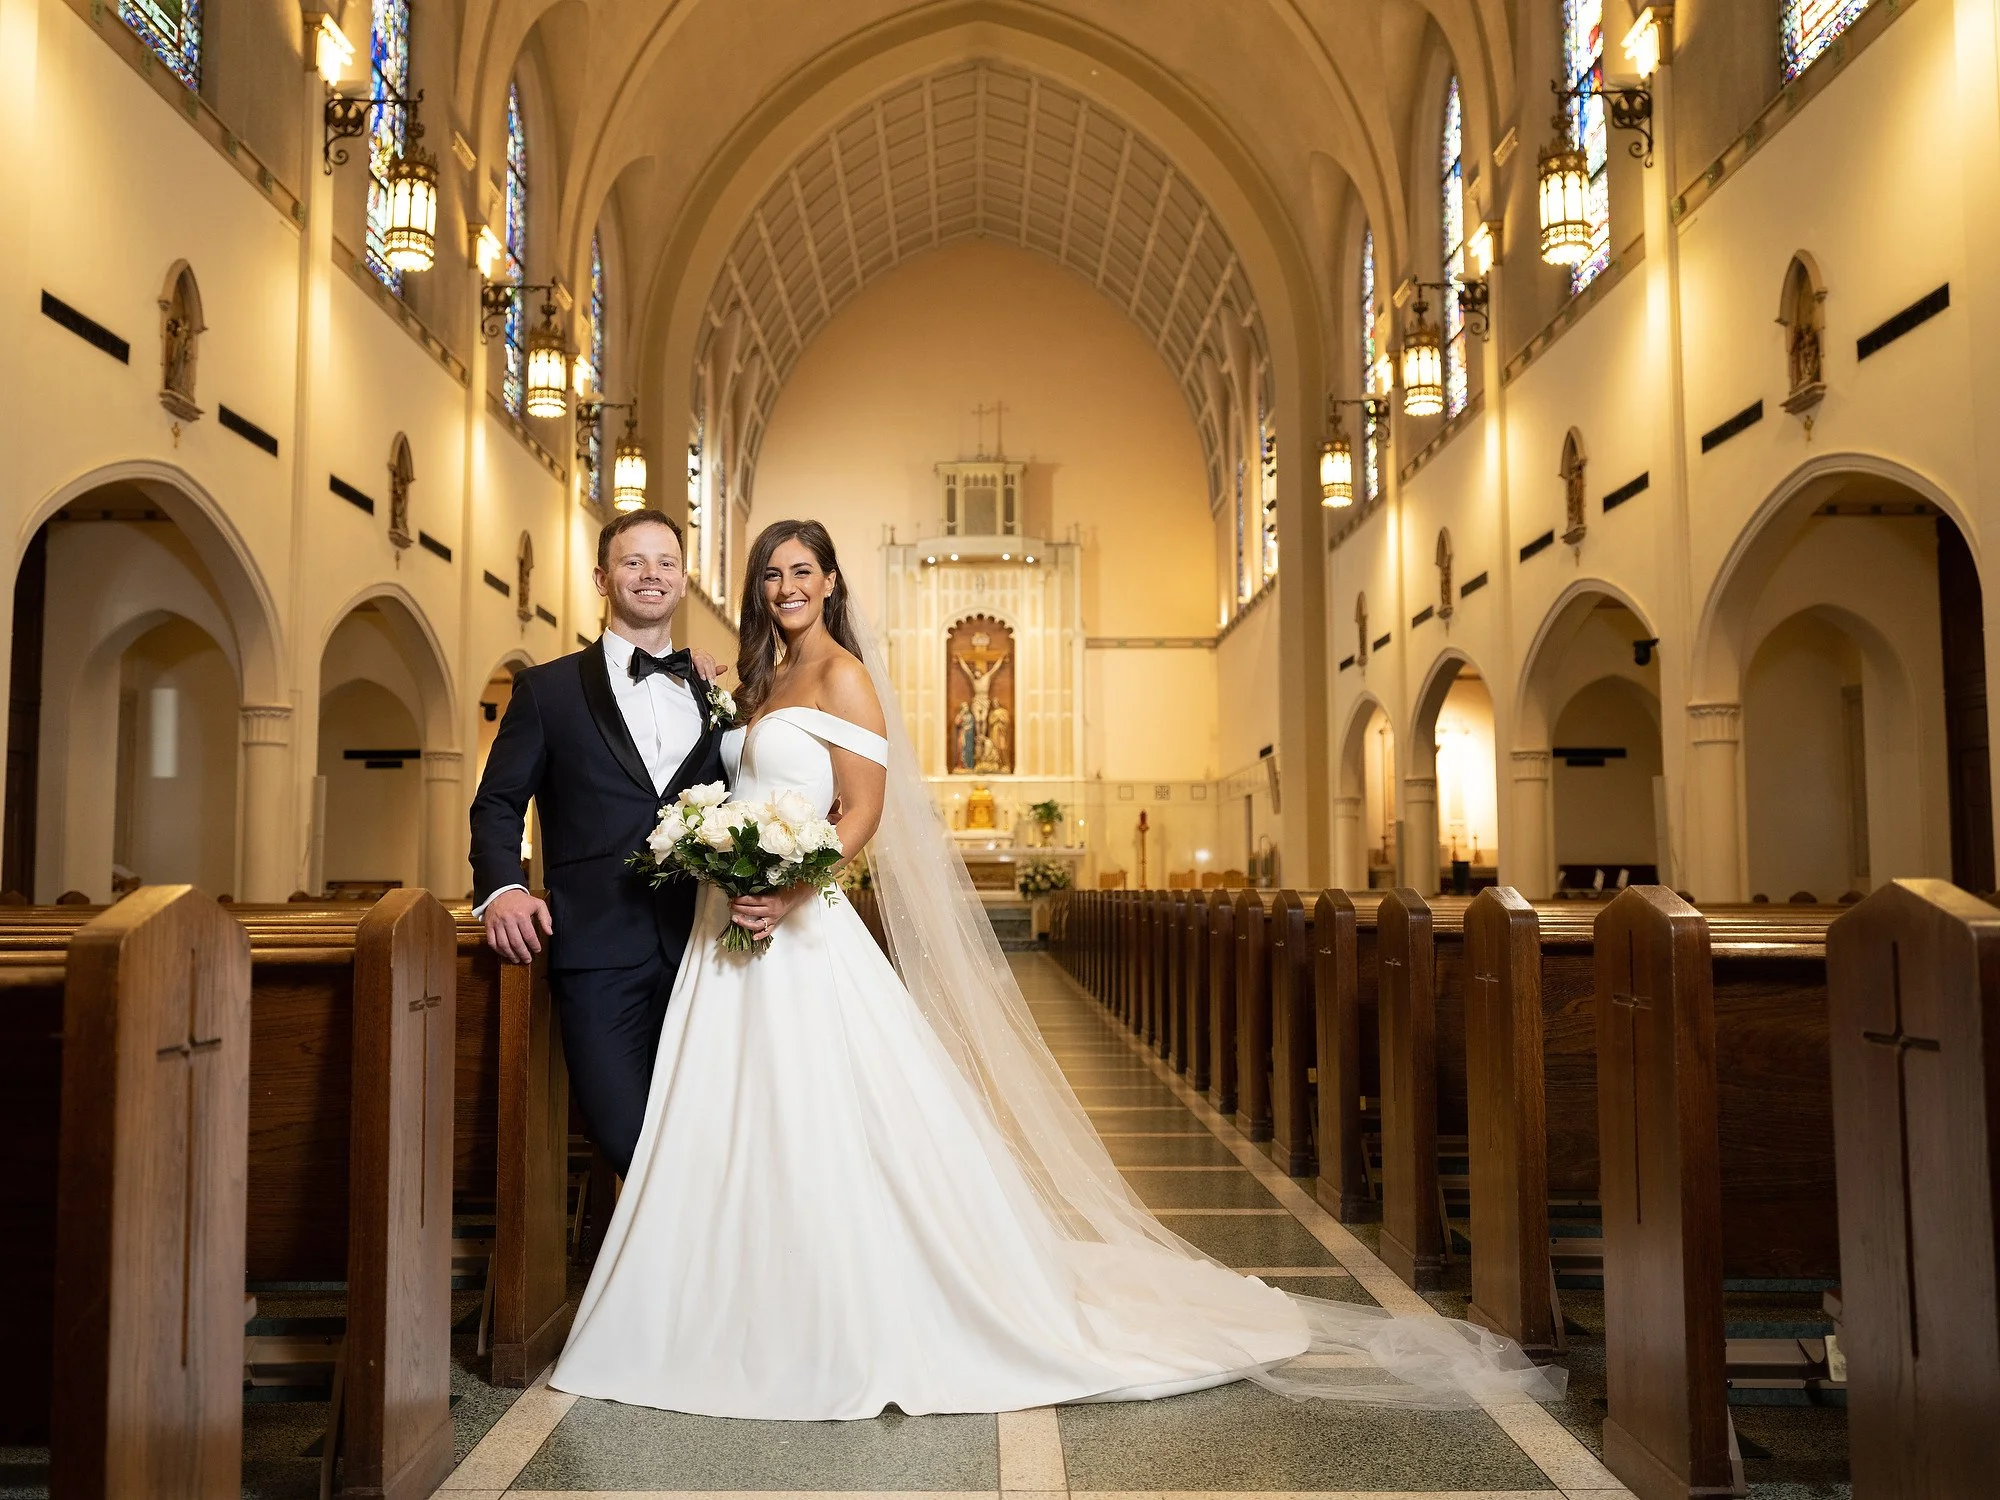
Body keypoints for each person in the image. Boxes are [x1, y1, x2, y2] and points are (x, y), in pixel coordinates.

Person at [551, 517, 1566, 1420]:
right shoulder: (753, 683)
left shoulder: (845, 677)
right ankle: (738, 1293)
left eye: (803, 569)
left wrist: (793, 888)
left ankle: (843, 1299)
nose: (786, 586)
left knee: (830, 1120)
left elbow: (857, 812)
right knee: (735, 1122)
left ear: (828, 582)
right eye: (771, 571)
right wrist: (732, 862)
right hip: (729, 942)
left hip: (799, 932)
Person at [468, 509, 726, 1177]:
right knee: (622, 1131)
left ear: (683, 580)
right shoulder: (547, 690)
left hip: (706, 945)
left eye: (666, 563)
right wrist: (502, 889)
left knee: (712, 1124)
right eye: (634, 562)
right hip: (597, 947)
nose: (651, 575)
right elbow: (498, 802)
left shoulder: (711, 690)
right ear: (602, 578)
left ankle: (698, 1280)